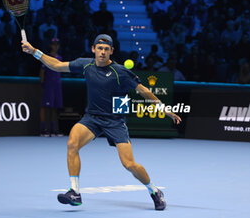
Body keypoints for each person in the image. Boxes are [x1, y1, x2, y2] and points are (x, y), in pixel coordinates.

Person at [21, 34, 181, 210]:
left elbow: (143, 91)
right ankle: (74, 192)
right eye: (100, 48)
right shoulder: (86, 64)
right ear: (93, 49)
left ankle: (154, 191)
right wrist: (34, 51)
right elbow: (57, 66)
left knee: (129, 164)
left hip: (115, 121)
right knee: (72, 143)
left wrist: (163, 108)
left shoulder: (121, 72)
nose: (102, 52)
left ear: (111, 51)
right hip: (92, 119)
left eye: (106, 49)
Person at [39, 38, 63, 136]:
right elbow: (42, 72)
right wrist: (43, 84)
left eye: (57, 44)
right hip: (48, 85)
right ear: (50, 45)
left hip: (57, 85)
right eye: (53, 44)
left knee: (54, 107)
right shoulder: (47, 57)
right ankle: (43, 129)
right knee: (45, 107)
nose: (55, 46)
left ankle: (53, 129)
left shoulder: (60, 58)